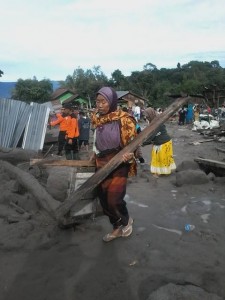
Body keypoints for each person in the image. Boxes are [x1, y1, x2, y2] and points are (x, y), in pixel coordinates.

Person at [91, 86, 137, 242]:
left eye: (104, 101)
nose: (100, 105)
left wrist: (130, 154)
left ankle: (126, 220)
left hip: (118, 162)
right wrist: (94, 153)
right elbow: (96, 137)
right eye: (98, 101)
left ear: (111, 102)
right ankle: (116, 228)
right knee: (103, 198)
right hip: (101, 162)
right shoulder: (96, 117)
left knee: (114, 198)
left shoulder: (124, 119)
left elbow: (133, 143)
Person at [142, 107, 176, 177]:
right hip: (158, 142)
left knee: (162, 158)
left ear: (150, 114)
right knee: (157, 158)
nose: (146, 117)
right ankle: (160, 172)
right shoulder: (153, 121)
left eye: (147, 115)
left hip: (164, 142)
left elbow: (152, 136)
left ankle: (161, 172)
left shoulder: (157, 122)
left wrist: (143, 143)